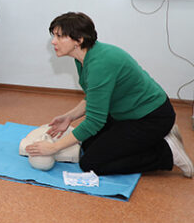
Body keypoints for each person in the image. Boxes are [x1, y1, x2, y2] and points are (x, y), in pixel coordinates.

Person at [26, 12, 193, 177]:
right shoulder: (83, 58)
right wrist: (69, 117)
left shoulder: (100, 63)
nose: (53, 42)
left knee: (92, 163)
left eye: (60, 36)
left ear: (79, 40)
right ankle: (157, 138)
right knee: (87, 144)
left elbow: (94, 122)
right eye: (53, 35)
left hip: (151, 118)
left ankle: (167, 153)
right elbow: (95, 95)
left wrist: (54, 148)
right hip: (127, 113)